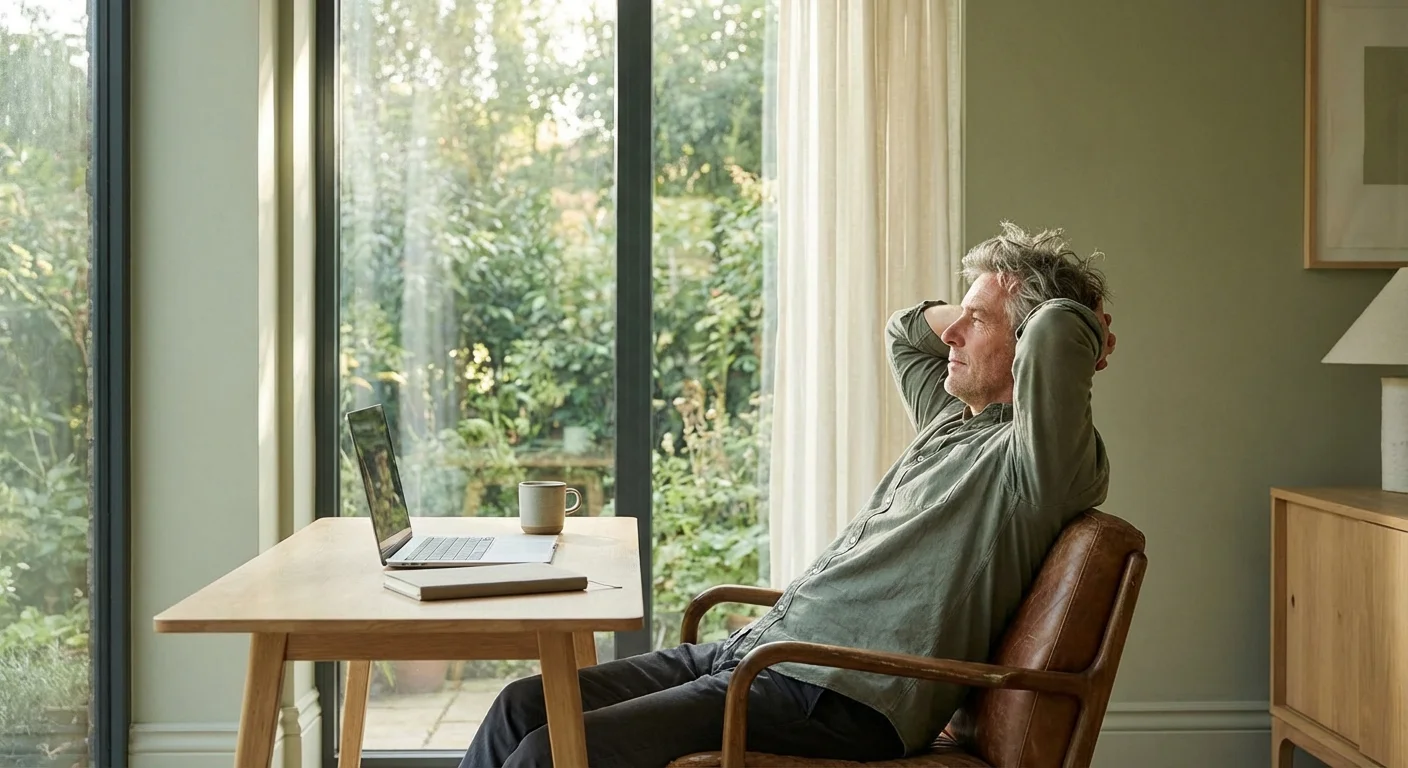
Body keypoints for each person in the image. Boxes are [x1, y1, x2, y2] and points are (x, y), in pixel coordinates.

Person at [458, 222, 1117, 768]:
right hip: (769, 652)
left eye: (977, 322)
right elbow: (904, 330)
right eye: (960, 317)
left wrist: (1072, 321)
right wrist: (985, 306)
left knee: (550, 754)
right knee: (521, 706)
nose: (951, 334)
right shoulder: (950, 421)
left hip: (841, 695)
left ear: (1028, 347)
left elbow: (1056, 330)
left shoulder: (1038, 464)